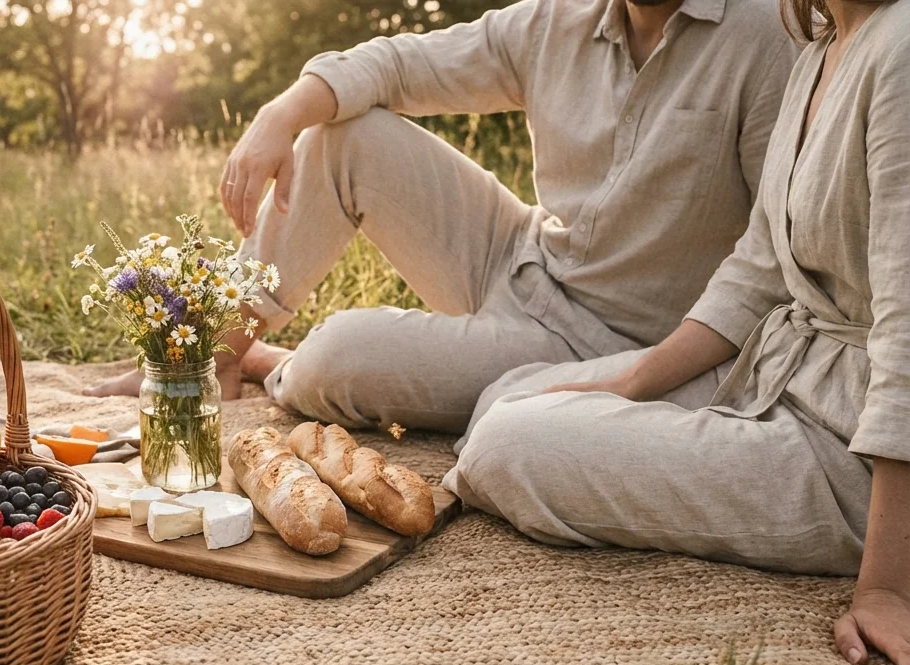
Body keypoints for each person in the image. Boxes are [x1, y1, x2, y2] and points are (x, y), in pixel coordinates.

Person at [450, 0, 910, 665]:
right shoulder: (820, 45)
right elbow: (759, 266)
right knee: (507, 397)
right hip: (788, 372)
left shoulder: (900, 45)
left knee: (508, 445)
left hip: (855, 454)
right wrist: (631, 386)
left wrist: (889, 588)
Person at [87, 0, 799, 437]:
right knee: (343, 133)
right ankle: (219, 353)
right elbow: (399, 64)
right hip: (518, 254)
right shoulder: (557, 19)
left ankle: (280, 365)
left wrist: (638, 382)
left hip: (605, 341)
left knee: (338, 360)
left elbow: (770, 260)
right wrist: (281, 114)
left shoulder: (768, 36)